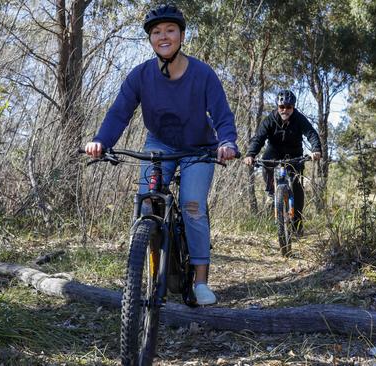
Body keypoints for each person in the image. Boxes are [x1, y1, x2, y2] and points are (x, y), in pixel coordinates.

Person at [84, 4, 238, 305]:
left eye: (169, 30)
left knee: (192, 205)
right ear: (150, 39)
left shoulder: (203, 74)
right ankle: (155, 274)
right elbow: (119, 113)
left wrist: (228, 142)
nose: (163, 36)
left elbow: (222, 115)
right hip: (160, 143)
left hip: (198, 148)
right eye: (156, 32)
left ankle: (201, 282)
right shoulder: (140, 75)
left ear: (181, 34)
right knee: (148, 204)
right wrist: (101, 140)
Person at [243, 89, 322, 233]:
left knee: (297, 187)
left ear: (293, 107)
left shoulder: (299, 118)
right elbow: (259, 138)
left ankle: (297, 225)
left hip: (294, 153)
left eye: (288, 107)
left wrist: (316, 149)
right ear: (277, 107)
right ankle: (271, 192)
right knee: (265, 162)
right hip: (274, 152)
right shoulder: (270, 120)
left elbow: (311, 133)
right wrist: (250, 154)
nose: (285, 110)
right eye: (281, 107)